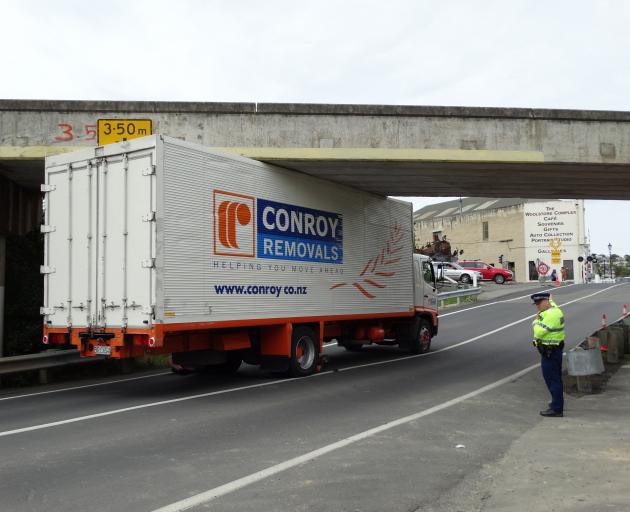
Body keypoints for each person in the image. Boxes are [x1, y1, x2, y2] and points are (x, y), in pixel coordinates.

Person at [531, 292, 565, 417]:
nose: (537, 307)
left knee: (552, 379)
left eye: (539, 303)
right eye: (536, 304)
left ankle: (556, 409)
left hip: (550, 352)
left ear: (546, 302)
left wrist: (535, 322)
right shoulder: (555, 309)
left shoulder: (551, 315)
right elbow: (553, 304)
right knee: (555, 378)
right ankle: (557, 403)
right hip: (553, 351)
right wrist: (551, 299)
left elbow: (539, 332)